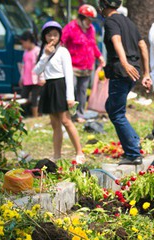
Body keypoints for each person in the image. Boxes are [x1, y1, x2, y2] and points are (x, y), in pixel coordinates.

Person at [100, 0, 152, 166]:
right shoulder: (128, 21)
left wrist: (124, 63)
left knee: (116, 112)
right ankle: (133, 140)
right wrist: (146, 73)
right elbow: (142, 46)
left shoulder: (110, 21)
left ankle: (133, 152)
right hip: (133, 70)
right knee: (111, 107)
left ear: (102, 5)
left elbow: (116, 41)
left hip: (122, 70)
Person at [33, 21, 85, 164]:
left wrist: (70, 97)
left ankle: (79, 152)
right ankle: (57, 155)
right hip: (49, 87)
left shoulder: (63, 51)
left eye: (55, 35)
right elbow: (36, 71)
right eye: (49, 35)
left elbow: (69, 75)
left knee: (66, 121)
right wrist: (45, 55)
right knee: (55, 123)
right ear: (44, 36)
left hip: (61, 86)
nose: (52, 38)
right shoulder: (43, 51)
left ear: (59, 36)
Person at [61, 5, 105, 123]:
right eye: (88, 19)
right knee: (72, 89)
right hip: (73, 66)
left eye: (91, 20)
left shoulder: (91, 29)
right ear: (81, 17)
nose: (89, 22)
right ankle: (68, 114)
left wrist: (99, 56)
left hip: (87, 67)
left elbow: (93, 45)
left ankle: (80, 114)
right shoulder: (70, 27)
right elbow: (61, 43)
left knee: (82, 92)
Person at [19, 30, 42, 118]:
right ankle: (22, 114)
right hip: (27, 79)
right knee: (23, 97)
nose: (23, 45)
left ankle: (35, 116)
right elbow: (23, 66)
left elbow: (41, 65)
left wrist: (41, 77)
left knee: (34, 98)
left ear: (28, 41)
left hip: (36, 79)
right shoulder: (25, 52)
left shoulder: (37, 51)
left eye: (23, 43)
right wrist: (21, 78)